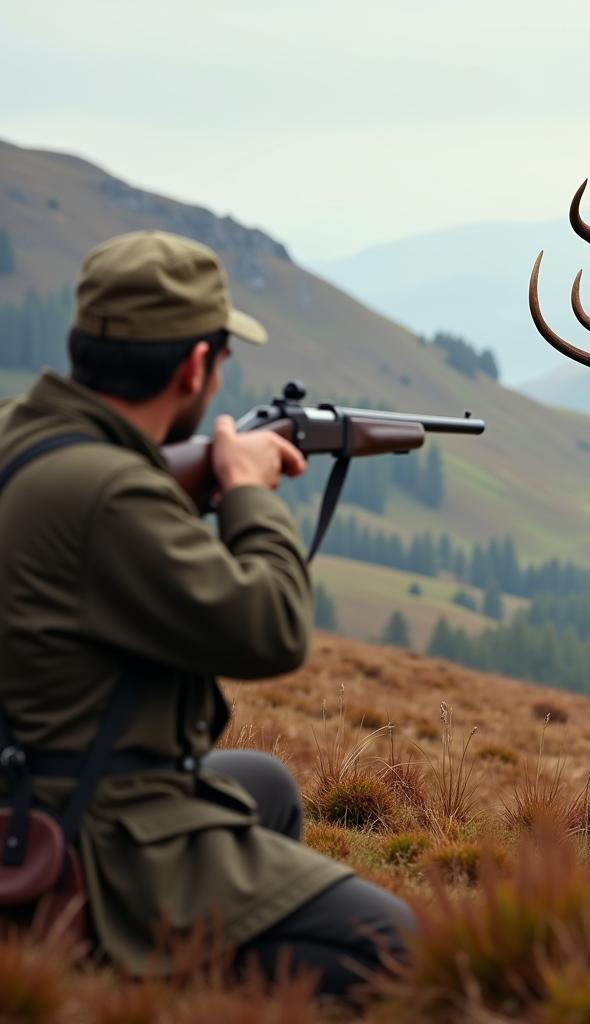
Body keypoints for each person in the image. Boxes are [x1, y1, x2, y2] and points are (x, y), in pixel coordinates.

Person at [0, 230, 415, 995]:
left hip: (26, 775)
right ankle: (126, 968)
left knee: (263, 783)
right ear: (195, 365)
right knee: (401, 947)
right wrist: (250, 493)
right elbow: (271, 630)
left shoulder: (21, 435)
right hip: (80, 829)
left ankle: (199, 969)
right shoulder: (109, 491)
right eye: (219, 360)